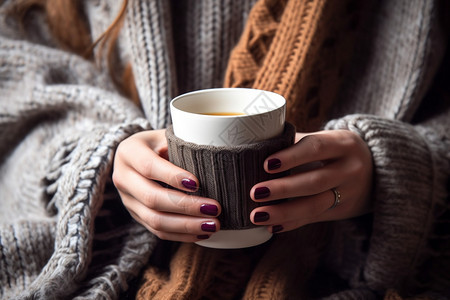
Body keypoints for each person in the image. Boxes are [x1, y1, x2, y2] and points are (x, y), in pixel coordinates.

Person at [0, 0, 449, 299]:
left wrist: (399, 174)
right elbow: (15, 80)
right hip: (122, 266)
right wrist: (95, 162)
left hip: (340, 272)